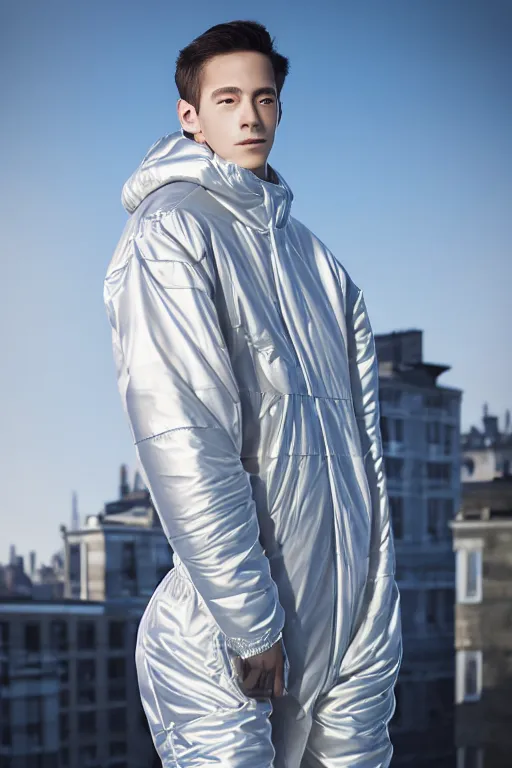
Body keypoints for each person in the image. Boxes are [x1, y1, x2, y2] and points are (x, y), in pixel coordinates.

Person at [104, 19, 402, 768]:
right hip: (225, 644)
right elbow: (184, 434)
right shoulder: (171, 231)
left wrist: (372, 626)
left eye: (264, 98)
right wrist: (247, 622)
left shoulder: (322, 267)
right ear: (190, 116)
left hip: (341, 630)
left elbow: (366, 466)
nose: (250, 116)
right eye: (229, 98)